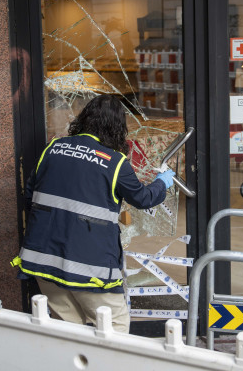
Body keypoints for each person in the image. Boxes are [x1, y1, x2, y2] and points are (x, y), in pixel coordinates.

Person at [11, 94, 175, 333]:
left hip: (42, 261)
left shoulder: (52, 149)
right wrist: (163, 182)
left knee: (69, 331)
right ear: (117, 127)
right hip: (89, 271)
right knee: (115, 330)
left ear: (84, 119)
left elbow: (30, 197)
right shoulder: (115, 162)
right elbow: (143, 198)